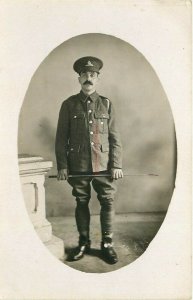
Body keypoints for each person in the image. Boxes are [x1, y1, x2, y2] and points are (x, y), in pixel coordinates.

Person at [55, 56, 123, 264]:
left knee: (107, 201)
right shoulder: (68, 104)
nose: (88, 78)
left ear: (98, 79)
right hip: (79, 165)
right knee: (81, 201)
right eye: (84, 74)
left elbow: (115, 137)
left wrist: (117, 164)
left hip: (103, 165)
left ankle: (107, 243)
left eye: (92, 75)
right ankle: (83, 243)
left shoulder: (107, 104)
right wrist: (63, 166)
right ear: (78, 79)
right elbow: (60, 138)